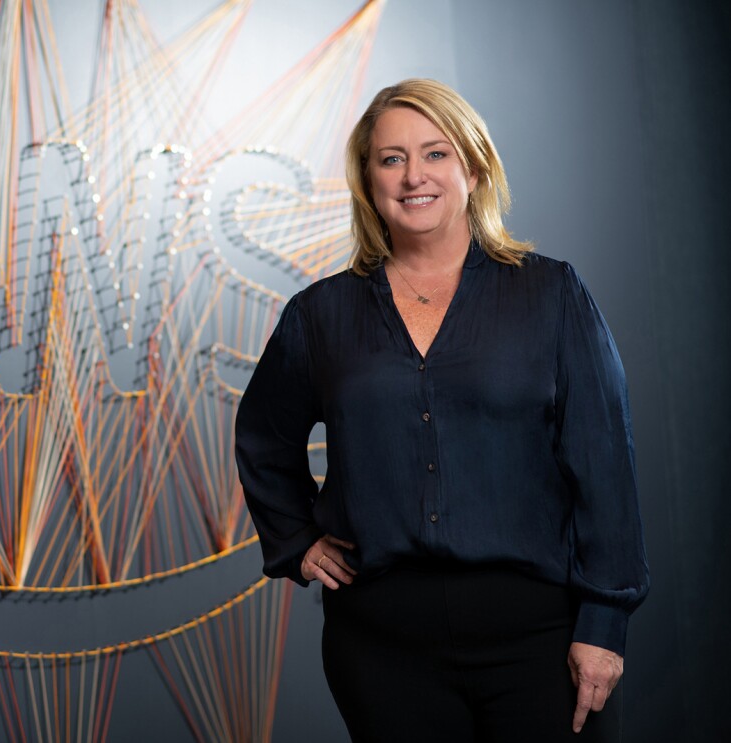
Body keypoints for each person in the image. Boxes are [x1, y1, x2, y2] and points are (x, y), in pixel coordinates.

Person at [234, 78, 648, 742]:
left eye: (435, 153)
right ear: (368, 180)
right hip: (381, 650)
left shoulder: (550, 294)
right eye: (391, 158)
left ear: (474, 167)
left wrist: (605, 622)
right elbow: (262, 438)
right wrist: (297, 540)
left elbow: (605, 466)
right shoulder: (322, 315)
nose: (413, 176)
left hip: (541, 639)